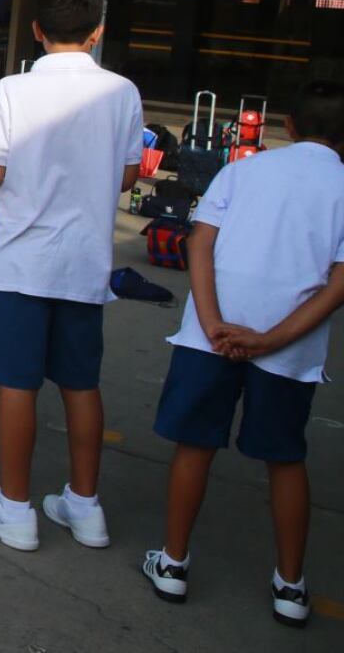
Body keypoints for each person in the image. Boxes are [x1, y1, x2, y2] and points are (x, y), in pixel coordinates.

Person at [142, 81, 344, 628]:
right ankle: (290, 584)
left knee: (196, 444)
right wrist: (272, 339)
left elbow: (199, 242)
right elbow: (337, 285)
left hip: (209, 335)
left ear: (290, 127)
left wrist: (212, 323)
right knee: (284, 457)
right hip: (290, 346)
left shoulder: (243, 170)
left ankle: (173, 563)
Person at [0, 0, 144, 552]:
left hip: (23, 261)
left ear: (36, 31)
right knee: (81, 384)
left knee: (18, 384)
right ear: (98, 29)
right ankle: (85, 507)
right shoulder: (123, 91)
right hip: (86, 262)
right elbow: (130, 176)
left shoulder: (13, 89)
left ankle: (14, 507)